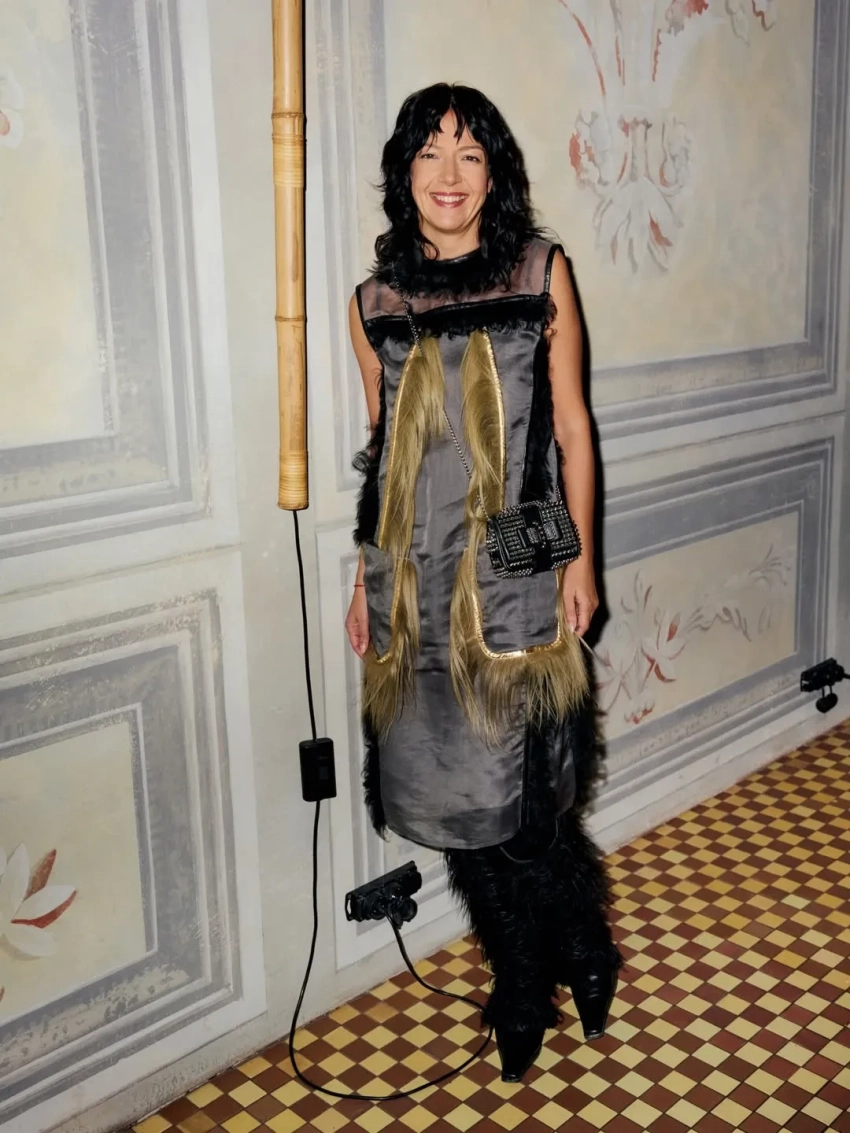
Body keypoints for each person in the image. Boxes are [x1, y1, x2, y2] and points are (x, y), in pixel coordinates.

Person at [344, 82, 622, 1083]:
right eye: (430, 153)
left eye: (469, 153)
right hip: (413, 581)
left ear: (494, 171)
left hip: (516, 560)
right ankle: (518, 981)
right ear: (404, 173)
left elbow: (572, 426)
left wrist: (581, 557)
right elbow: (383, 453)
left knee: (529, 805)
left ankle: (581, 944)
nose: (450, 174)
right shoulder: (374, 304)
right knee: (458, 804)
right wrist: (363, 578)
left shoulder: (540, 271)